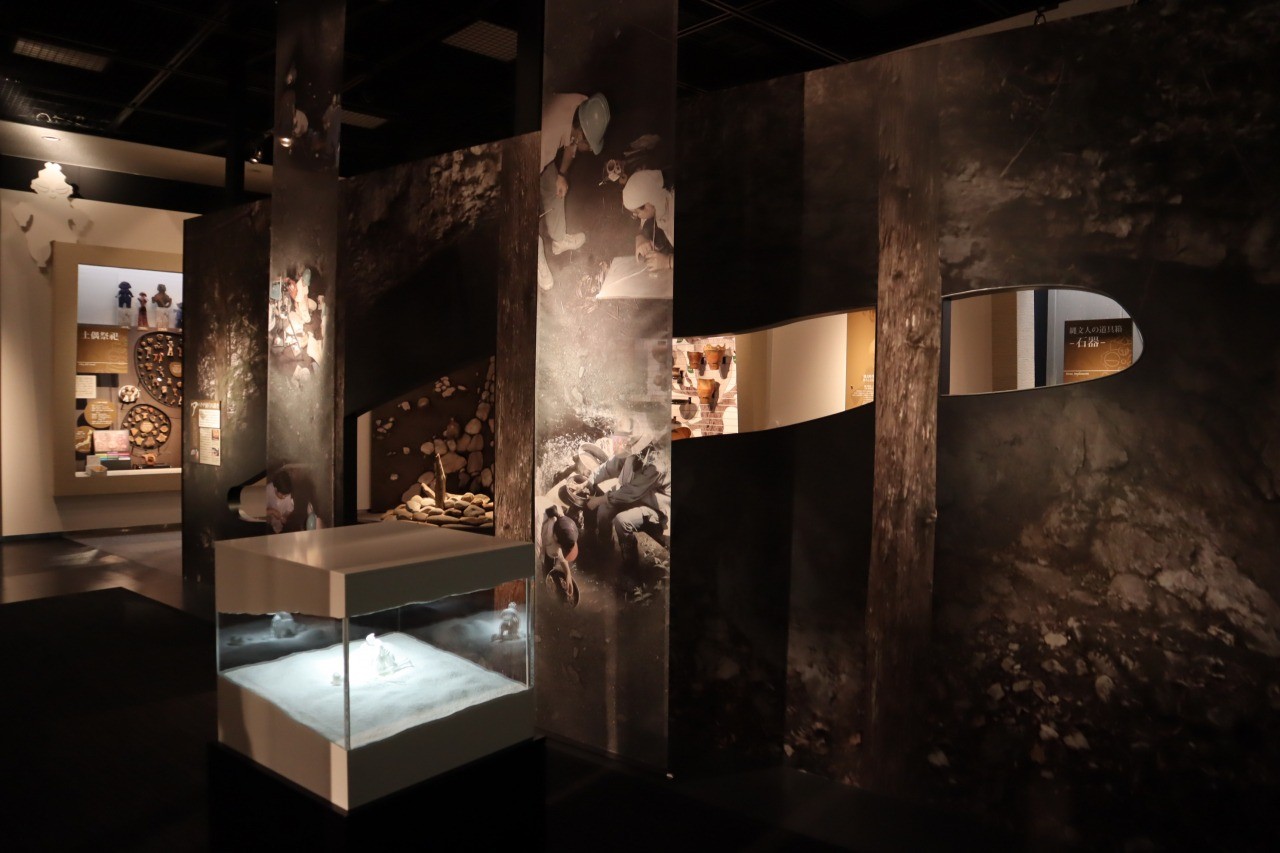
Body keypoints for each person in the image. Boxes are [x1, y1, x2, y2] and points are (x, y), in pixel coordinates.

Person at [538, 92, 611, 289]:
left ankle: (558, 240)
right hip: (526, 155)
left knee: (554, 186)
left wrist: (562, 174)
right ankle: (536, 258)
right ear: (580, 135)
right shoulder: (547, 140)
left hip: (545, 148)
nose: (591, 150)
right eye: (590, 145)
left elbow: (572, 146)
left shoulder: (584, 107)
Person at [585, 432, 670, 579]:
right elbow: (609, 467)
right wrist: (589, 482)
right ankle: (605, 546)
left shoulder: (657, 465)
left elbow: (630, 492)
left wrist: (598, 500)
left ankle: (630, 566)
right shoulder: (632, 452)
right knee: (604, 510)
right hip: (635, 495)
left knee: (622, 521)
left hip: (656, 506)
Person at [623, 170, 674, 272]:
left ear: (648, 204)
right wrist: (640, 237)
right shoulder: (658, 203)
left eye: (636, 212)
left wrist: (668, 261)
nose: (636, 216)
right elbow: (644, 220)